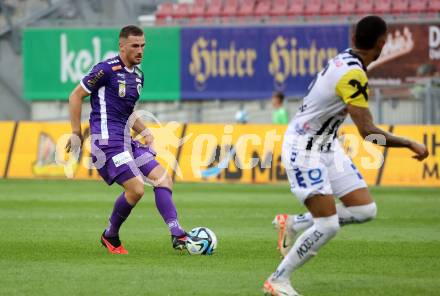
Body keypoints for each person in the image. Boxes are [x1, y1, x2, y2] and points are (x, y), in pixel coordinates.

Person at [263, 16, 429, 296]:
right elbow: (368, 133)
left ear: (354, 40)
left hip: (326, 145)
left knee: (364, 210)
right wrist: (409, 143)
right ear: (381, 43)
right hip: (304, 148)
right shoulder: (353, 74)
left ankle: (292, 222)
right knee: (327, 225)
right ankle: (278, 280)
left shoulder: (346, 59)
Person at [65, 25, 187, 255]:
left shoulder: (138, 76)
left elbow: (126, 111)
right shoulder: (106, 69)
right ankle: (110, 234)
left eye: (143, 46)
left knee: (163, 179)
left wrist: (144, 130)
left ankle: (177, 233)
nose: (140, 50)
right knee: (137, 189)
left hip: (126, 140)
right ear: (122, 46)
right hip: (107, 143)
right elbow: (76, 95)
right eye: (135, 46)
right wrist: (75, 132)